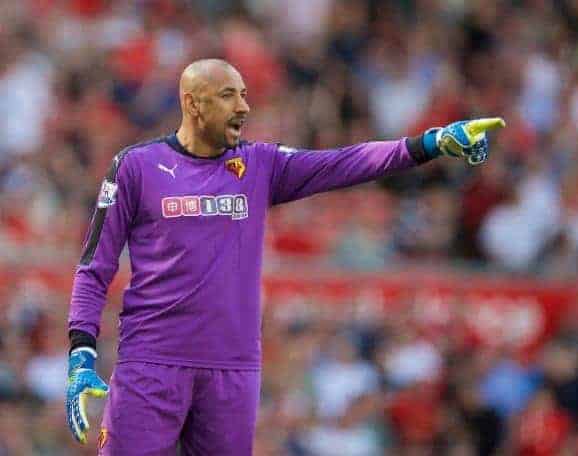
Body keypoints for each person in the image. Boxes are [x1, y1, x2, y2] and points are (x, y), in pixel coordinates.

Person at [65, 58, 504, 455]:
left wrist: (430, 143)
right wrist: (81, 351)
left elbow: (346, 162)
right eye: (228, 95)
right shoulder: (136, 167)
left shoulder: (260, 165)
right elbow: (94, 265)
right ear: (192, 103)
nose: (243, 107)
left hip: (231, 371)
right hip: (151, 364)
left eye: (244, 95)